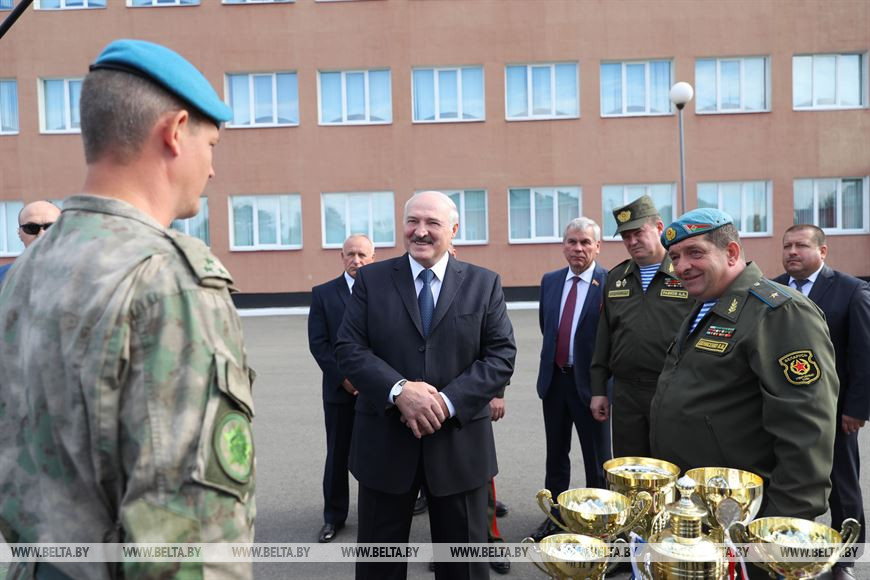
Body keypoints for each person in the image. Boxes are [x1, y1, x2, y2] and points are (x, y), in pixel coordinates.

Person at [0, 39, 255, 579]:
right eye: (211, 144)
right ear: (175, 131)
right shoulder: (171, 279)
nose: (212, 170)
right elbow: (187, 534)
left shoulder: (27, 268)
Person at [335, 190, 516, 580]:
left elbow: (501, 357)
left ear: (453, 230)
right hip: (385, 448)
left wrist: (445, 403)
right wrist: (400, 391)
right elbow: (348, 348)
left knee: (463, 566)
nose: (421, 231)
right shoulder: (371, 280)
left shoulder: (484, 284)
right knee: (379, 567)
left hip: (459, 446)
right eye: (412, 222)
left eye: (432, 223)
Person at [650, 209, 838, 521]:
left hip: (744, 513)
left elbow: (807, 431)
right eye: (675, 256)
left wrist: (782, 522)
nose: (681, 266)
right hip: (699, 503)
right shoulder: (705, 306)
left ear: (732, 252)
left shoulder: (780, 312)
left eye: (695, 253)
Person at [775, 224, 870, 580]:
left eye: (801, 245)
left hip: (834, 410)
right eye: (787, 246)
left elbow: (863, 354)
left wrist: (856, 409)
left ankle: (845, 559)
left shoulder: (851, 291)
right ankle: (791, 551)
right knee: (789, 482)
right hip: (783, 409)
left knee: (842, 486)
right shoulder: (772, 289)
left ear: (823, 251)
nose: (792, 252)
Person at [589, 195, 694, 456]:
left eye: (638, 232)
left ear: (659, 228)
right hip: (626, 393)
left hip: (670, 389)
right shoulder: (616, 278)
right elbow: (605, 337)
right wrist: (599, 389)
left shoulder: (685, 273)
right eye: (626, 236)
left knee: (671, 463)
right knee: (630, 466)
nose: (632, 241)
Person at [530, 217, 611, 542]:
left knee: (596, 459)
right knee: (556, 455)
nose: (578, 248)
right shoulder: (550, 281)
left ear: (597, 247)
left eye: (585, 243)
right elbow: (546, 327)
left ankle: (596, 523)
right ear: (563, 245)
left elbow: (612, 341)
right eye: (572, 242)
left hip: (590, 387)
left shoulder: (609, 283)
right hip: (555, 381)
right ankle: (556, 517)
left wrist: (602, 388)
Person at [308, 233, 375, 543]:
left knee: (377, 454)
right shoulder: (323, 294)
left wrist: (372, 379)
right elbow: (319, 344)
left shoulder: (382, 292)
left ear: (372, 258)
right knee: (337, 456)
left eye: (362, 255)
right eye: (350, 254)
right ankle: (334, 517)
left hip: (376, 392)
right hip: (339, 392)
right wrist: (344, 379)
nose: (356, 260)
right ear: (342, 256)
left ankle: (376, 516)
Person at [0, 200, 61, 283]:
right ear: (19, 233)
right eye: (31, 228)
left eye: (51, 227)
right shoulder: (3, 277)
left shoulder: (82, 275)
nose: (42, 234)